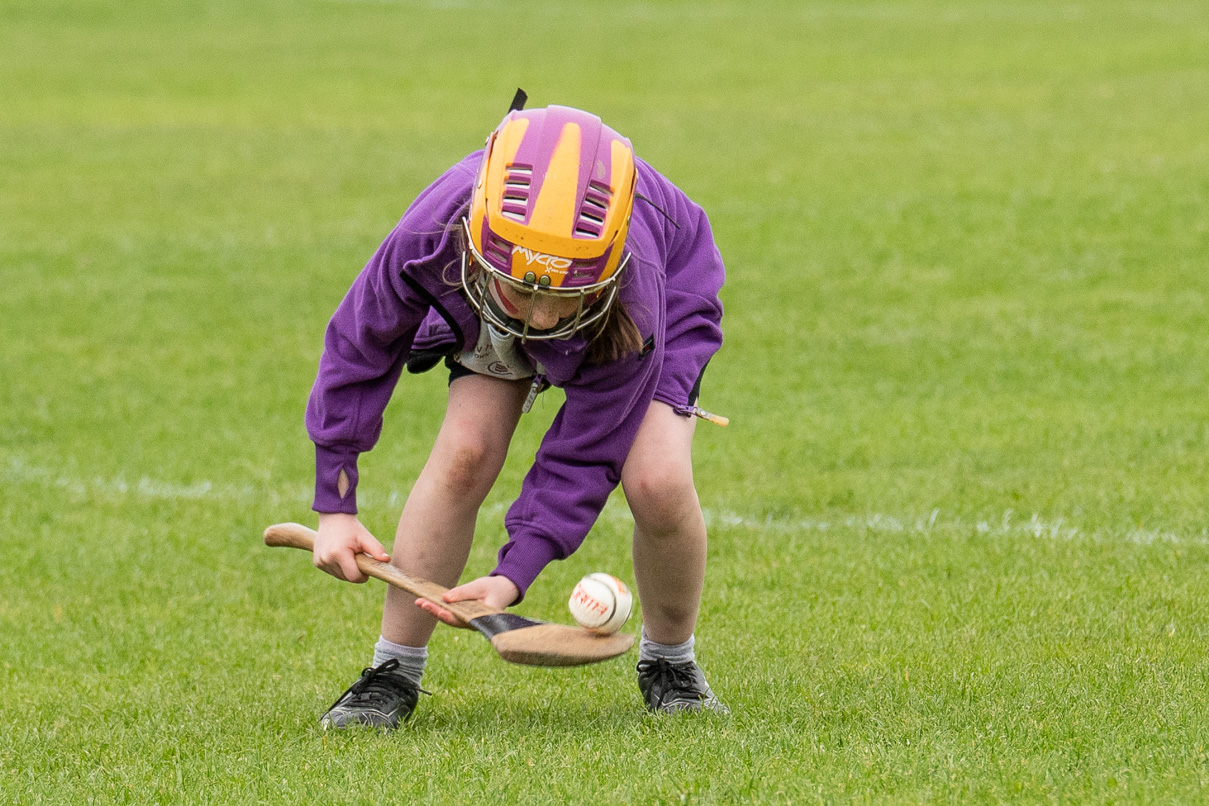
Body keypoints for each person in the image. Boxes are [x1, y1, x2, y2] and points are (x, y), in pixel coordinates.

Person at [305, 96, 727, 729]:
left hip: (650, 300)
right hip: (487, 299)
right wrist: (335, 504)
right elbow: (358, 349)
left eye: (562, 297)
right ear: (478, 245)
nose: (541, 317)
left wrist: (513, 574)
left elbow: (585, 453)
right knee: (466, 452)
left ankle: (671, 663)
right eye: (524, 292)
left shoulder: (632, 290)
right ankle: (392, 671)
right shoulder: (433, 231)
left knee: (657, 482)